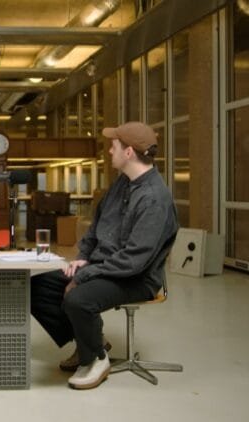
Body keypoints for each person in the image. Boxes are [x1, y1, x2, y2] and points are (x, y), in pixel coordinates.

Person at [31, 121, 178, 390]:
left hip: (137, 277)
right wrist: (83, 258)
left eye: (114, 146)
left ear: (129, 152)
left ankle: (96, 359)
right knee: (38, 287)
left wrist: (85, 275)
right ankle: (90, 341)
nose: (110, 150)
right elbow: (97, 227)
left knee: (78, 298)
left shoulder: (154, 199)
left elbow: (135, 260)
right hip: (105, 266)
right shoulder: (122, 184)